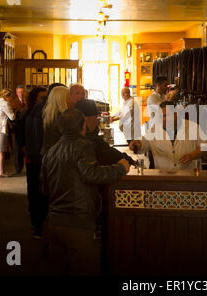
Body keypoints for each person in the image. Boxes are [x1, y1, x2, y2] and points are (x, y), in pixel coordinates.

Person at [41, 108, 130, 275]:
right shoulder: (84, 146)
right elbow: (92, 174)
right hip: (79, 222)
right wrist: (120, 168)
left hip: (53, 222)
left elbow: (44, 188)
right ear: (83, 126)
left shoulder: (50, 152)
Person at [129, 101, 207, 170]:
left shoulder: (192, 127)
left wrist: (192, 156)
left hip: (188, 177)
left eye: (166, 116)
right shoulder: (154, 131)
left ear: (176, 114)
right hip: (164, 179)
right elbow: (143, 144)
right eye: (161, 116)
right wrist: (138, 144)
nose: (163, 119)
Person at [76, 99, 135, 165]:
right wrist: (122, 166)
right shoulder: (89, 142)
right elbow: (108, 154)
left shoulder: (77, 136)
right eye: (96, 117)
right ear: (85, 118)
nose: (98, 120)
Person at [22, 86, 48, 239]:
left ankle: (37, 224)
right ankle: (37, 225)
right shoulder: (33, 114)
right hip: (36, 158)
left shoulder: (32, 113)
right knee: (37, 191)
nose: (44, 101)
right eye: (42, 98)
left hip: (34, 157)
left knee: (35, 191)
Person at [0, 88, 16, 177]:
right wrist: (15, 110)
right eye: (10, 96)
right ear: (7, 96)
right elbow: (12, 117)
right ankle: (1, 171)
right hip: (0, 129)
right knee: (1, 152)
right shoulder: (5, 104)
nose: (11, 98)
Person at [42, 86, 70, 155]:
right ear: (62, 99)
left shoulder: (49, 114)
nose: (70, 100)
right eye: (68, 97)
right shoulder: (62, 117)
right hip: (58, 154)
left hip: (49, 153)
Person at [10, 85, 27, 173]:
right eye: (19, 92)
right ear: (16, 93)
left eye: (22, 92)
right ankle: (18, 167)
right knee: (18, 148)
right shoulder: (13, 102)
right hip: (18, 128)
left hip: (27, 128)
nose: (21, 94)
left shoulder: (28, 101)